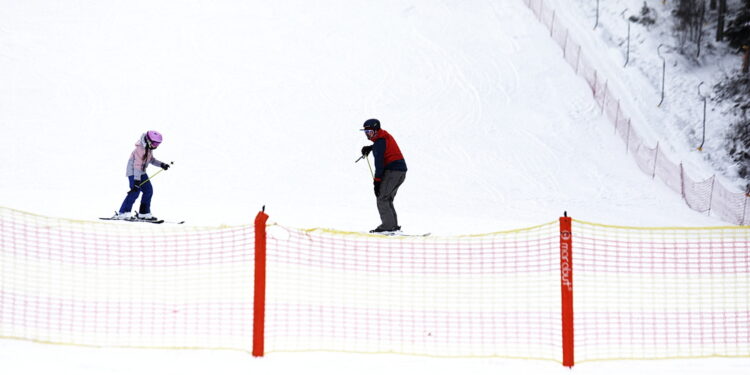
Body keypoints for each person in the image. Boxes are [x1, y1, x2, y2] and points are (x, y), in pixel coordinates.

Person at [360, 118, 407, 233]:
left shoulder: (380, 142)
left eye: (370, 132)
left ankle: (388, 227)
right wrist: (371, 148)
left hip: (393, 171)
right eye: (366, 132)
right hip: (400, 171)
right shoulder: (384, 137)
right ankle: (392, 226)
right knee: (387, 198)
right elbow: (383, 146)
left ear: (376, 131)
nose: (368, 135)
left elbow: (379, 164)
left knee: (382, 199)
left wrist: (377, 181)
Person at [113, 130, 170, 221]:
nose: (156, 146)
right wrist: (136, 181)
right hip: (133, 172)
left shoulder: (148, 148)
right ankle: (123, 213)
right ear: (148, 140)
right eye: (155, 143)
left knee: (148, 190)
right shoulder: (140, 149)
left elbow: (152, 160)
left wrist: (162, 164)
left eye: (158, 144)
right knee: (135, 191)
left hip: (141, 172)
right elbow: (137, 166)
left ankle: (144, 213)